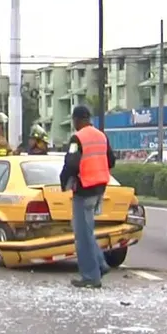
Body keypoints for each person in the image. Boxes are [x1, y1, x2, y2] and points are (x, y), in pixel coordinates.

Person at [59, 105, 117, 289]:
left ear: (77, 120)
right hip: (99, 188)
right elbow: (111, 161)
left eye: (74, 121)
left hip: (84, 190)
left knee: (82, 236)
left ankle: (91, 277)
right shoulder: (101, 136)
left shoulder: (77, 138)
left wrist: (63, 181)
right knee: (87, 231)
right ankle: (100, 264)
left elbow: (71, 163)